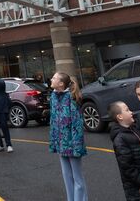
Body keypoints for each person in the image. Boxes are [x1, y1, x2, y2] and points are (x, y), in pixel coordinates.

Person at [49, 72, 88, 201]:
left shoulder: (71, 97)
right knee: (67, 177)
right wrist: (55, 142)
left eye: (54, 78)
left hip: (72, 143)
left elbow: (77, 124)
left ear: (61, 83)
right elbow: (54, 121)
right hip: (61, 143)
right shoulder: (53, 96)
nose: (51, 79)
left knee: (77, 178)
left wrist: (77, 146)